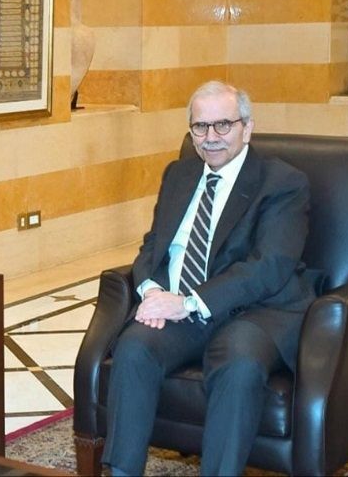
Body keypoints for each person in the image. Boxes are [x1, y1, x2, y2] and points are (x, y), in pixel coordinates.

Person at [101, 81, 319, 476]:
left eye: (223, 125)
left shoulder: (283, 182)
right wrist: (152, 292)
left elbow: (270, 266)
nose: (211, 137)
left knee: (238, 365)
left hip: (255, 311)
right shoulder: (179, 174)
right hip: (180, 307)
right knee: (133, 348)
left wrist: (187, 303)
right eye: (200, 127)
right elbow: (154, 244)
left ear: (247, 128)